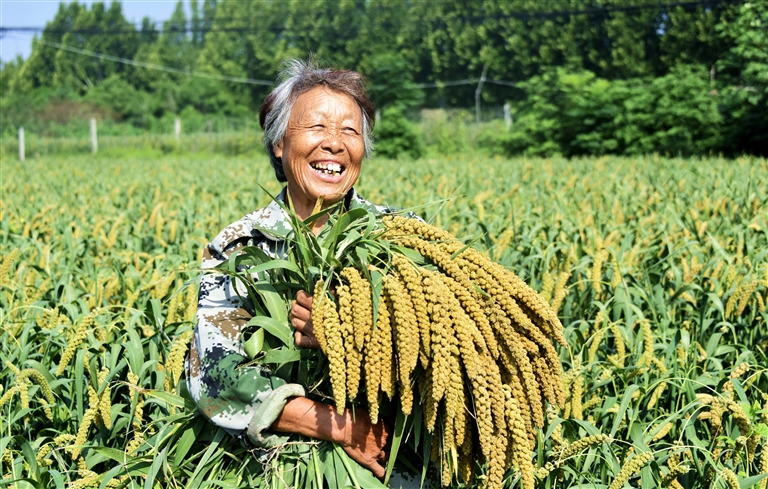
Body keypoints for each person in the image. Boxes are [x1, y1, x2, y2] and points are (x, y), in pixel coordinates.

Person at [185, 59, 396, 479]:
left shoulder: (401, 238)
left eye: (350, 132)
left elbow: (457, 350)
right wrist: (345, 428)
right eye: (316, 127)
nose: (334, 144)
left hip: (390, 459)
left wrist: (354, 336)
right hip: (278, 465)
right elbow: (216, 374)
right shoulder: (239, 247)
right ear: (279, 142)